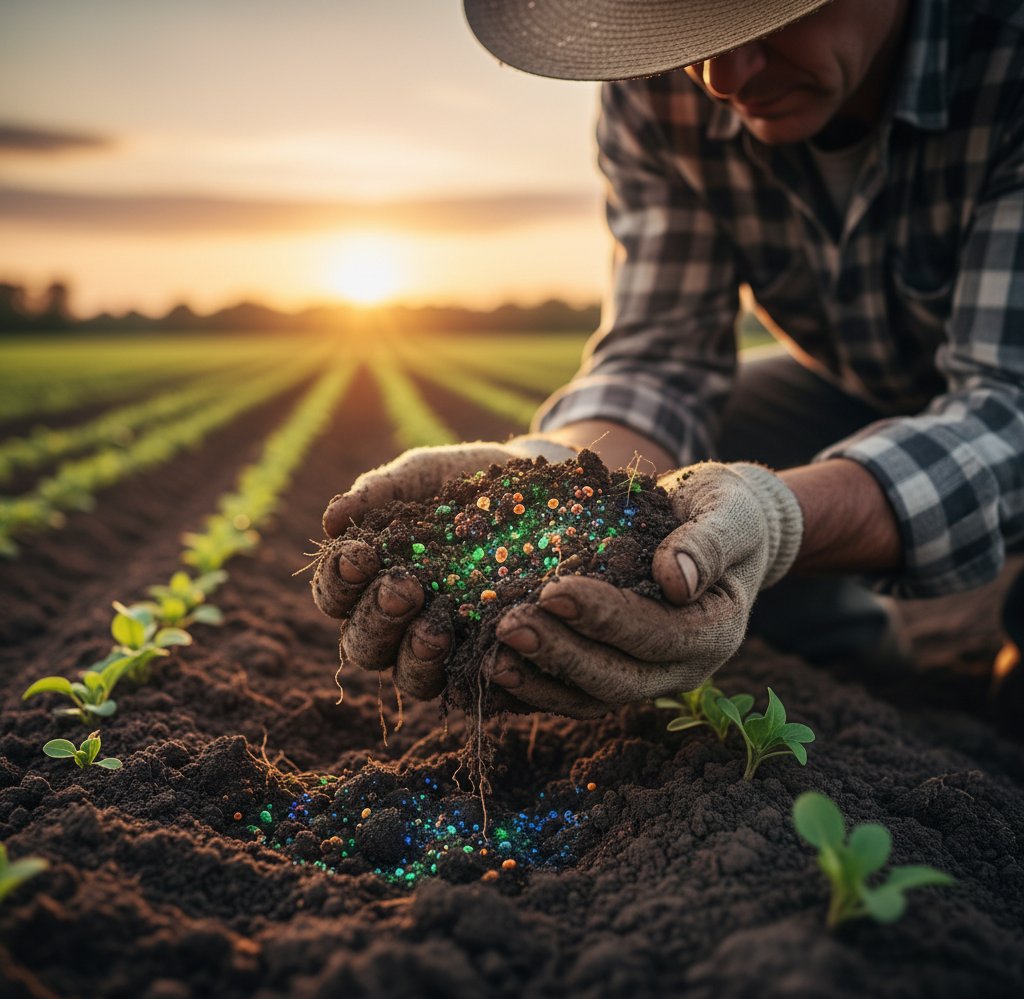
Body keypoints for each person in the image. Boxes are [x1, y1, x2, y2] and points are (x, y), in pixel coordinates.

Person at [314, 0, 1024, 718]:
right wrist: (543, 472)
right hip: (862, 383)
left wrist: (775, 521)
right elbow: (659, 360)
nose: (721, 75)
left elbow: (1011, 409)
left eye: (767, 19)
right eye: (695, 34)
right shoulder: (660, 84)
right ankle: (858, 686)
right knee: (705, 481)